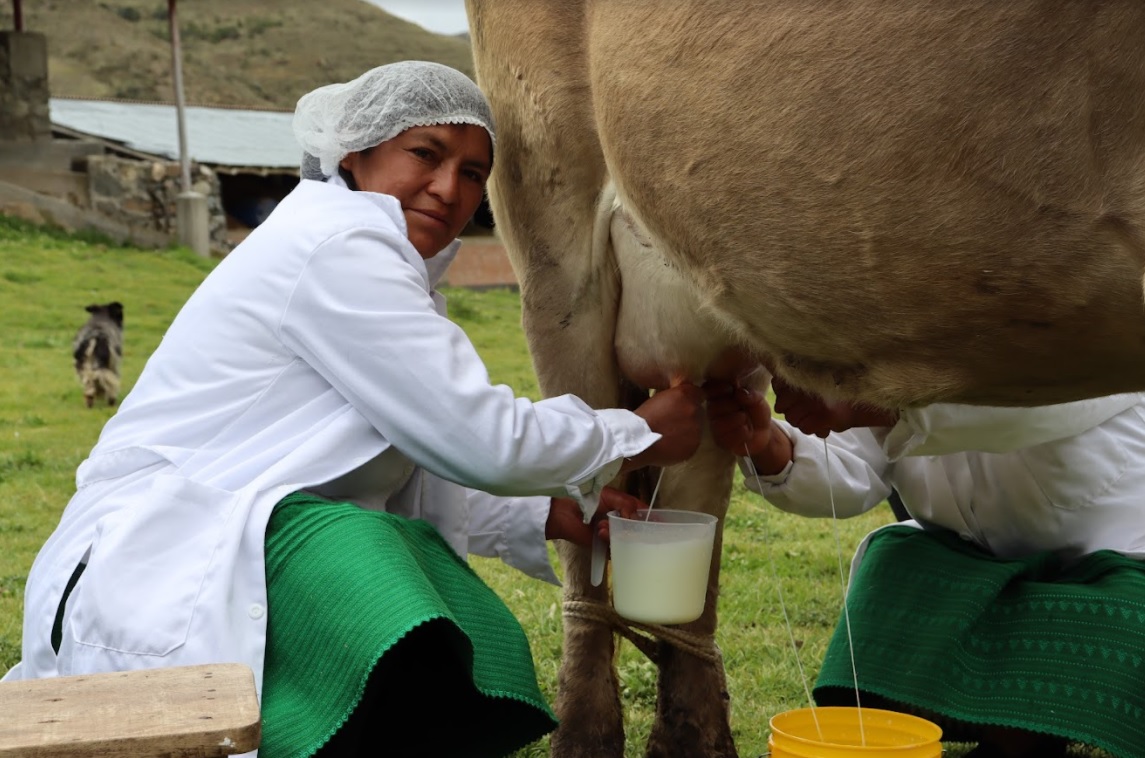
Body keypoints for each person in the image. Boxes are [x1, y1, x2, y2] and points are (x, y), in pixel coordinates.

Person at [3, 61, 706, 758]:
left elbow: (400, 453)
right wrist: (638, 432)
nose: (448, 187)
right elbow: (477, 437)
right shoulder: (340, 242)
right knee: (372, 568)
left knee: (432, 598)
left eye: (472, 173)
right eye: (425, 154)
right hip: (160, 556)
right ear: (354, 152)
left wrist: (541, 513)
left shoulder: (369, 257)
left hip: (211, 544)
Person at [705, 376, 1145, 758]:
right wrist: (769, 445)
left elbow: (1037, 407)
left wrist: (870, 406)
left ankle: (1027, 730)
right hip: (970, 564)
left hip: (1108, 567)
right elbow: (854, 460)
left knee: (1115, 612)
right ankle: (1001, 723)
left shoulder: (1095, 323)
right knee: (892, 558)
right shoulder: (893, 335)